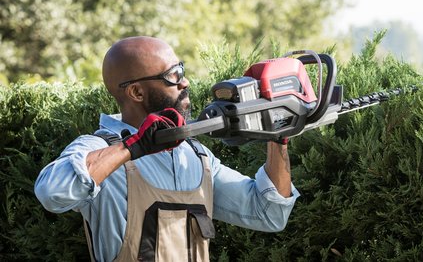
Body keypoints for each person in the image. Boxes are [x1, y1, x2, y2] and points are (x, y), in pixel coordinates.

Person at [34, 36, 299, 261]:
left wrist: (278, 136)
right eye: (173, 76)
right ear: (137, 92)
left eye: (181, 71)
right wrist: (132, 147)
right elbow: (52, 193)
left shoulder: (195, 157)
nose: (185, 83)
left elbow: (269, 213)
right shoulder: (98, 149)